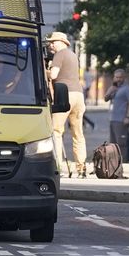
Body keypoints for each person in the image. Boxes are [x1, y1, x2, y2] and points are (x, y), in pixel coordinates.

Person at [45, 32, 86, 178]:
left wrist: (44, 70)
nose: (50, 45)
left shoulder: (59, 55)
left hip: (64, 94)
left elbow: (54, 75)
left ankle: (58, 168)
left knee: (56, 131)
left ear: (60, 42)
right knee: (78, 134)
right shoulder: (73, 55)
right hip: (79, 95)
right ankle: (81, 168)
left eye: (52, 42)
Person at [104, 68, 129, 156]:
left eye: (120, 77)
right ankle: (114, 164)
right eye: (116, 77)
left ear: (124, 78)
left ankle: (123, 163)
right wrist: (110, 91)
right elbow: (106, 99)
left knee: (121, 144)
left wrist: (128, 117)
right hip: (112, 119)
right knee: (112, 145)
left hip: (121, 120)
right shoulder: (114, 88)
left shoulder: (127, 89)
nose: (118, 79)